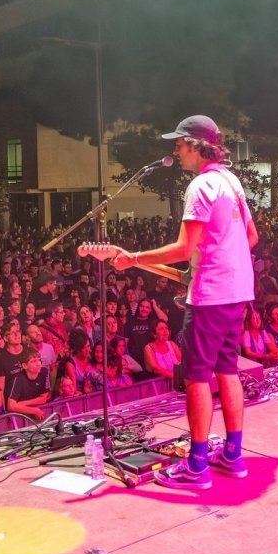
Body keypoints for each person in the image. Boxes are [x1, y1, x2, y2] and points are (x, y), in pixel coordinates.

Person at [109, 115, 258, 490]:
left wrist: (134, 257)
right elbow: (251, 237)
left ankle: (196, 466)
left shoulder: (201, 185)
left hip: (210, 297)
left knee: (195, 377)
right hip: (238, 292)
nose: (175, 148)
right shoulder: (231, 181)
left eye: (179, 142)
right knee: (227, 370)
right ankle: (234, 456)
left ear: (195, 145)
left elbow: (182, 249)